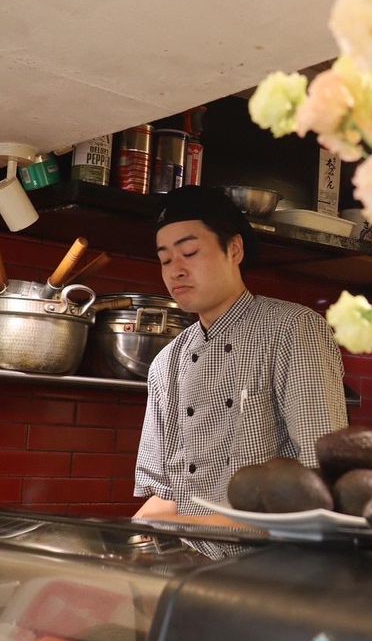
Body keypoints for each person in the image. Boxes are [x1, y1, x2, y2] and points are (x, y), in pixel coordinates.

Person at [133, 185, 347, 530]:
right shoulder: (166, 362)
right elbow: (165, 493)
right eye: (165, 260)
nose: (175, 270)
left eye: (189, 252)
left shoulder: (292, 329)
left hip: (267, 557)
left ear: (234, 249)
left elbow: (321, 478)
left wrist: (200, 526)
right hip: (188, 555)